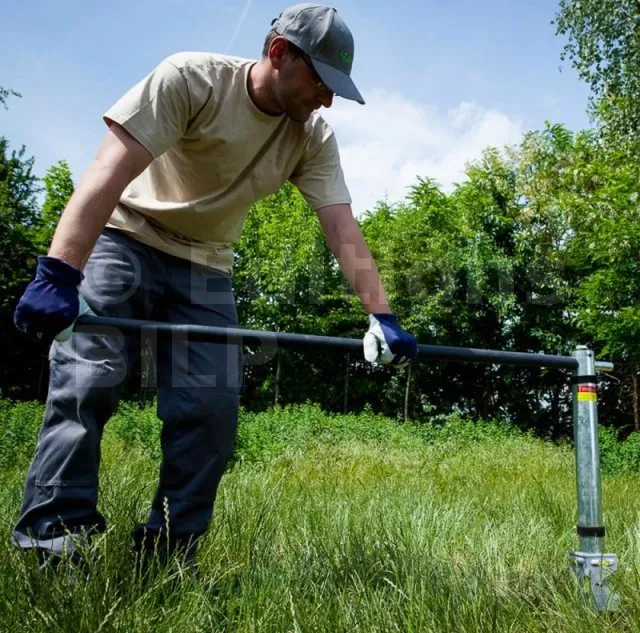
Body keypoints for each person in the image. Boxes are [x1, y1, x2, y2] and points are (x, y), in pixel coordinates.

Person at [12, 3, 417, 570]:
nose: (327, 100)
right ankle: (55, 541)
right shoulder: (191, 78)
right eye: (322, 81)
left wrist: (382, 314)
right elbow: (110, 166)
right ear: (279, 53)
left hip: (205, 264)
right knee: (88, 379)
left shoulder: (311, 136)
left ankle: (171, 550)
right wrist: (59, 272)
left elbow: (340, 225)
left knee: (211, 410)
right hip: (124, 237)